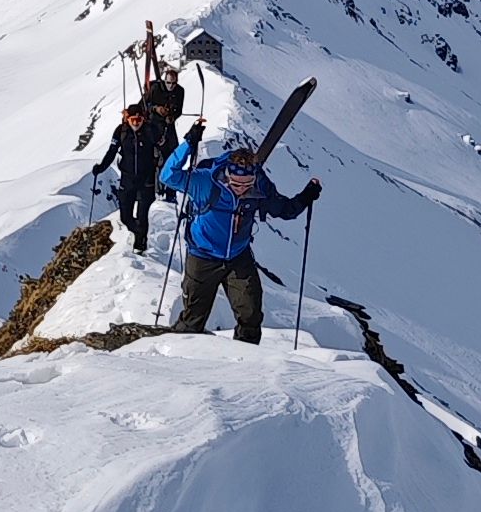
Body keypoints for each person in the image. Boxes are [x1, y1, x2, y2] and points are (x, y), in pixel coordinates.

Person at [156, 122, 321, 343]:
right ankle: (176, 360)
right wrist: (188, 143)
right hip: (203, 255)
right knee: (193, 319)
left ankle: (245, 363)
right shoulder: (206, 183)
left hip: (238, 256)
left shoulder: (260, 186)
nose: (242, 189)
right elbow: (167, 176)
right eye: (236, 183)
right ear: (227, 175)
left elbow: (285, 210)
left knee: (251, 314)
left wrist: (306, 195)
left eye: (247, 184)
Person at [90, 103, 169, 253]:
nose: (136, 123)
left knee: (142, 214)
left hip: (147, 179)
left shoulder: (151, 131)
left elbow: (165, 148)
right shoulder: (121, 132)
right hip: (127, 178)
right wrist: (101, 167)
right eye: (133, 119)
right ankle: (138, 233)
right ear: (127, 119)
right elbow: (111, 152)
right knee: (125, 216)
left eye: (139, 120)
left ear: (143, 119)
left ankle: (140, 246)